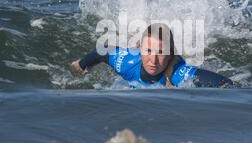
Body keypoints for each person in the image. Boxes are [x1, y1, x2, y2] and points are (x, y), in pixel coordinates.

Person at [70, 23, 233, 88]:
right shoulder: (125, 61)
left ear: (170, 54)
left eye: (161, 52)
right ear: (140, 48)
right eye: (148, 51)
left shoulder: (179, 75)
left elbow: (225, 84)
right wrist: (80, 66)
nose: (153, 60)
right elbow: (102, 51)